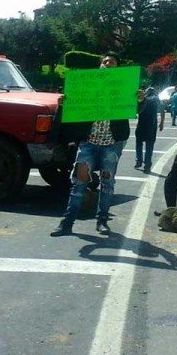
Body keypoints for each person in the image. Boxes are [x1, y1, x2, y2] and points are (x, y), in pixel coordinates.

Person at [50, 52, 131, 237]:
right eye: (105, 61)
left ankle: (102, 220)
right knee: (79, 182)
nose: (108, 64)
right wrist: (63, 105)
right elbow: (72, 107)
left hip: (111, 144)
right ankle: (67, 222)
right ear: (100, 65)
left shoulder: (124, 87)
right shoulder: (86, 84)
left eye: (112, 62)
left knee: (107, 183)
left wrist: (141, 101)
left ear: (118, 67)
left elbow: (135, 107)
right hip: (88, 143)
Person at [134, 87, 164, 174]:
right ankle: (147, 165)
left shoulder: (143, 99)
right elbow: (162, 111)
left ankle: (139, 161)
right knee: (149, 146)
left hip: (141, 125)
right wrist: (161, 123)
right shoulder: (157, 100)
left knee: (139, 143)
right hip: (152, 126)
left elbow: (136, 110)